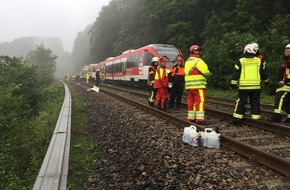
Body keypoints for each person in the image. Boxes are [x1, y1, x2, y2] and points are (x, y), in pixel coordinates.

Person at [231, 44, 269, 125]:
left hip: (243, 87)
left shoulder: (241, 61)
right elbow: (263, 73)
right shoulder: (259, 61)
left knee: (241, 102)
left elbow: (235, 74)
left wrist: (233, 85)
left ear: (245, 51)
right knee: (255, 102)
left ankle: (237, 119)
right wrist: (266, 82)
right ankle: (255, 118)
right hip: (256, 87)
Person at [184, 45, 210, 124]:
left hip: (189, 86)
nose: (199, 52)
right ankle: (200, 119)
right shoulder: (198, 61)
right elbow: (205, 71)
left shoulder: (187, 61)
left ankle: (191, 118)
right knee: (200, 101)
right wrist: (209, 73)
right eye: (198, 51)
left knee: (191, 101)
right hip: (198, 85)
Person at [268, 44, 290, 123]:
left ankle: (276, 117)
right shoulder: (286, 60)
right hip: (286, 85)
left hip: (286, 86)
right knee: (288, 103)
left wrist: (284, 81)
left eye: (286, 50)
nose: (285, 51)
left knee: (279, 99)